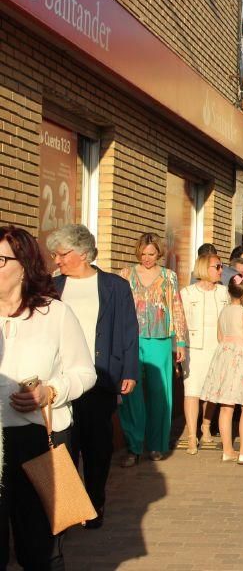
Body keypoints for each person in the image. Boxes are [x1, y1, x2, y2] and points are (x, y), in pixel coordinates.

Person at [0, 226, 97, 569]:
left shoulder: (54, 314)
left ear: (23, 264)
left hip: (37, 439)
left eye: (0, 260)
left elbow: (85, 372)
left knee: (38, 546)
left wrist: (49, 392)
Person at [48, 224, 139, 529]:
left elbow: (128, 329)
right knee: (65, 445)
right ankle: (72, 506)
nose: (57, 260)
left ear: (83, 253)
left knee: (97, 445)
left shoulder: (114, 286)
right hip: (63, 378)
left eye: (62, 254)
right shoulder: (53, 286)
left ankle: (95, 501)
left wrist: (129, 370)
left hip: (101, 376)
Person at [118, 232, 187, 465]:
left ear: (159, 253)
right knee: (131, 394)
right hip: (131, 340)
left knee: (160, 394)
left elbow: (176, 306)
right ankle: (133, 446)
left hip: (160, 338)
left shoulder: (169, 276)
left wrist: (180, 341)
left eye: (152, 254)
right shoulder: (126, 275)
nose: (147, 258)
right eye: (143, 253)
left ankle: (157, 445)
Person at [199, 274, 243, 465]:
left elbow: (220, 337)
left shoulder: (224, 311)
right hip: (242, 359)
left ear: (229, 291)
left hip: (224, 357)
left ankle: (227, 450)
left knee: (226, 406)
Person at [179, 253, 229, 454]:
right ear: (203, 268)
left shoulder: (224, 292)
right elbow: (179, 321)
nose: (220, 270)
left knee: (212, 391)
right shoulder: (187, 292)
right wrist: (179, 348)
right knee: (192, 391)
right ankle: (191, 435)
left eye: (221, 266)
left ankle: (206, 426)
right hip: (194, 347)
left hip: (217, 347)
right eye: (217, 267)